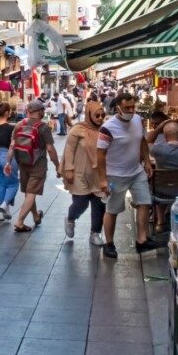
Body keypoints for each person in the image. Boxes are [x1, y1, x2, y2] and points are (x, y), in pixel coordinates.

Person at [96, 93, 162, 259]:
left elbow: (142, 141)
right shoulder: (107, 128)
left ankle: (141, 240)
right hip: (115, 175)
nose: (131, 110)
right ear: (118, 107)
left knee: (145, 202)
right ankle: (109, 244)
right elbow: (100, 154)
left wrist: (146, 161)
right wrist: (103, 179)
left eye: (133, 107)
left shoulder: (138, 120)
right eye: (127, 108)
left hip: (136, 171)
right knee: (112, 210)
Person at [6, 100, 60, 232]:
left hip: (23, 163)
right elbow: (50, 149)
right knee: (31, 193)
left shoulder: (19, 125)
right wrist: (58, 166)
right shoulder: (43, 127)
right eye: (43, 110)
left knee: (29, 193)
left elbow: (12, 146)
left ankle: (36, 216)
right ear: (39, 111)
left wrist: (8, 162)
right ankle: (19, 222)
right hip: (38, 164)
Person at [62, 101, 107, 246]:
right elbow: (69, 149)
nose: (100, 118)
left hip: (99, 173)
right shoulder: (78, 130)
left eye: (102, 115)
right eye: (97, 115)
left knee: (99, 204)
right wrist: (68, 169)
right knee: (81, 203)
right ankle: (70, 218)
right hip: (79, 173)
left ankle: (95, 233)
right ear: (88, 115)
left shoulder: (105, 130)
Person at [0, 102, 18, 220]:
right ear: (7, 113)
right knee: (13, 183)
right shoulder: (12, 128)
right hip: (8, 156)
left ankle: (2, 212)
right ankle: (5, 204)